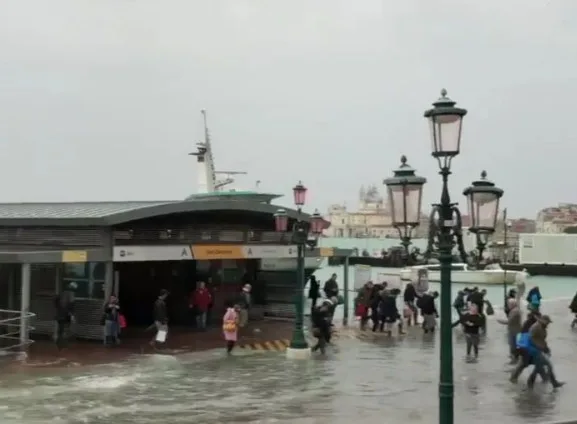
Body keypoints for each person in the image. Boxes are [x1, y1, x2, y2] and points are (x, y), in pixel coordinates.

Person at [527, 315, 564, 388]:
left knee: (540, 366)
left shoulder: (542, 327)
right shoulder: (536, 327)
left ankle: (532, 382)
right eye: (547, 322)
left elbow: (542, 340)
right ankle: (553, 383)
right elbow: (529, 338)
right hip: (534, 351)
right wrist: (537, 346)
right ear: (543, 320)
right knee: (546, 365)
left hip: (539, 350)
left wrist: (546, 348)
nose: (548, 324)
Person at [497, 298, 522, 363]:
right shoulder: (516, 310)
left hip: (514, 331)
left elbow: (509, 321)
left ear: (512, 304)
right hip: (516, 330)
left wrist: (500, 321)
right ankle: (515, 359)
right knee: (516, 345)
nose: (508, 306)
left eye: (508, 304)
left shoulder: (514, 311)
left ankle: (514, 360)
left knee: (513, 345)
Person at [54, 282, 77, 350]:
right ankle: (62, 344)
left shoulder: (62, 294)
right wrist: (72, 315)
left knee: (61, 330)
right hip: (65, 315)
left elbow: (55, 301)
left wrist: (58, 308)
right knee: (65, 329)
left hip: (60, 315)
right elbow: (71, 306)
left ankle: (60, 344)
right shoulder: (71, 294)